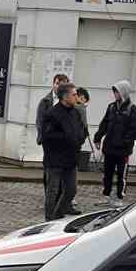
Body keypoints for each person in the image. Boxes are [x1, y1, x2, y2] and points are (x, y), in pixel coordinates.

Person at [40, 82, 85, 220]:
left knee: (71, 190)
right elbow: (47, 137)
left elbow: (82, 130)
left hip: (71, 160)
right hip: (55, 160)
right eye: (74, 94)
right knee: (52, 191)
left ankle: (59, 212)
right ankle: (49, 218)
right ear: (65, 97)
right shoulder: (52, 114)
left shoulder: (76, 112)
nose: (76, 97)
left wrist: (80, 139)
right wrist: (67, 138)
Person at [93, 81, 136, 203]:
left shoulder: (133, 110)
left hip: (123, 150)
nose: (115, 94)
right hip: (109, 148)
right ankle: (106, 196)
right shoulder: (111, 107)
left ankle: (120, 197)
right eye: (114, 91)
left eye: (117, 91)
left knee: (121, 175)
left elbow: (135, 130)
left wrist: (124, 142)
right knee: (107, 174)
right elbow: (104, 123)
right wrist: (98, 137)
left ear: (123, 92)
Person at [35, 72, 70, 146]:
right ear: (53, 84)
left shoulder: (70, 102)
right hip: (49, 140)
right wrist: (44, 137)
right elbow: (39, 121)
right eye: (57, 83)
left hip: (65, 142)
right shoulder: (45, 101)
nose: (59, 87)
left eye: (62, 85)